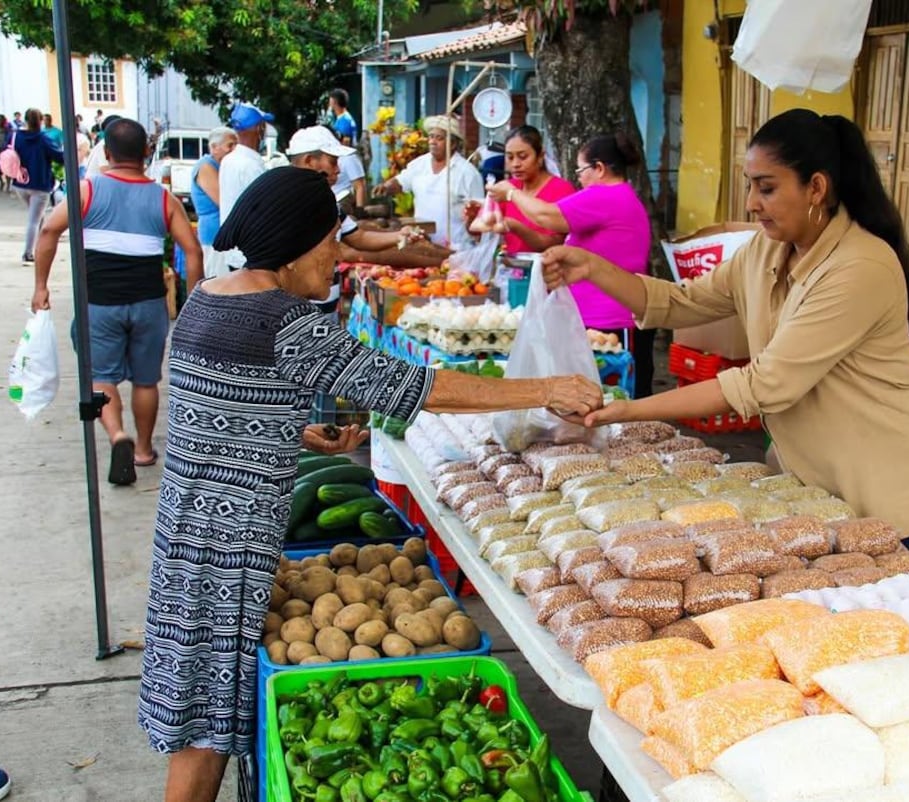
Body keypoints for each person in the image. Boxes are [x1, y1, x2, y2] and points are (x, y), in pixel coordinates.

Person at [134, 167, 602, 802]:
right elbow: (416, 387)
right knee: (207, 731)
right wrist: (544, 389)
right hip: (228, 554)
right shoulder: (286, 321)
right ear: (297, 241)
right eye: (331, 242)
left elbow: (212, 411)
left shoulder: (208, 297)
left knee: (200, 708)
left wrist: (295, 434)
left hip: (184, 538)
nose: (336, 258)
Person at [542, 109, 909, 558]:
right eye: (750, 185)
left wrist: (625, 410)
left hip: (894, 496)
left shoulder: (860, 266)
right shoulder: (765, 249)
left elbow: (762, 384)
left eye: (768, 187)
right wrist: (594, 268)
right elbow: (682, 303)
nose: (752, 203)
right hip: (816, 494)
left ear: (816, 187)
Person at [31, 118, 203, 485]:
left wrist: (41, 286)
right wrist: (197, 296)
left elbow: (48, 230)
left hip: (99, 304)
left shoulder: (86, 191)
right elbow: (192, 249)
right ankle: (142, 449)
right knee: (146, 381)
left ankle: (117, 435)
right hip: (148, 305)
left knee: (102, 377)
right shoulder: (163, 198)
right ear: (146, 152)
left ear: (106, 153)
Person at [488, 132, 654, 396]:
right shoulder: (618, 197)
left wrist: (510, 193)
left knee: (611, 403)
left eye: (581, 170)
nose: (578, 177)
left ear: (599, 169)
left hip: (610, 322)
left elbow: (546, 216)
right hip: (597, 317)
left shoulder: (605, 196)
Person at [287, 125, 422, 315]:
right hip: (298, 311)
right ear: (309, 161)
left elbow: (358, 237)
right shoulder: (286, 203)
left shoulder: (328, 203)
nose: (338, 169)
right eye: (333, 162)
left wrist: (399, 236)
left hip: (326, 308)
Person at [373, 114, 484, 249]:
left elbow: (480, 215)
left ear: (453, 143)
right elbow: (401, 181)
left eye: (439, 138)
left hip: (457, 249)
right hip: (422, 245)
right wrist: (386, 187)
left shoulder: (468, 173)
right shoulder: (419, 164)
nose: (432, 141)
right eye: (431, 136)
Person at [483, 125, 573, 255]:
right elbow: (485, 233)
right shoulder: (508, 187)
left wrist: (516, 227)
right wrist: (476, 217)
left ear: (540, 156)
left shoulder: (561, 189)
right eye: (510, 157)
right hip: (511, 269)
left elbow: (556, 243)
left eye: (523, 156)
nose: (515, 164)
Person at [215, 102, 273, 275]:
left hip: (234, 251)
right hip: (251, 253)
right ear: (259, 128)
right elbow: (263, 210)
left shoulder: (229, 160)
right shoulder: (251, 166)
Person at [10, 108, 64, 264]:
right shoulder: (43, 139)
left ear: (25, 120)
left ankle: (39, 246)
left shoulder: (15, 136)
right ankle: (28, 253)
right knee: (34, 220)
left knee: (37, 217)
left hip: (20, 182)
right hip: (40, 184)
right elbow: (59, 157)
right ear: (40, 120)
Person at [190, 126, 238, 283]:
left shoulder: (221, 166)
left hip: (220, 233)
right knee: (219, 281)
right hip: (214, 234)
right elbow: (223, 200)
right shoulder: (206, 166)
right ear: (214, 147)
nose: (234, 149)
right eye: (230, 145)